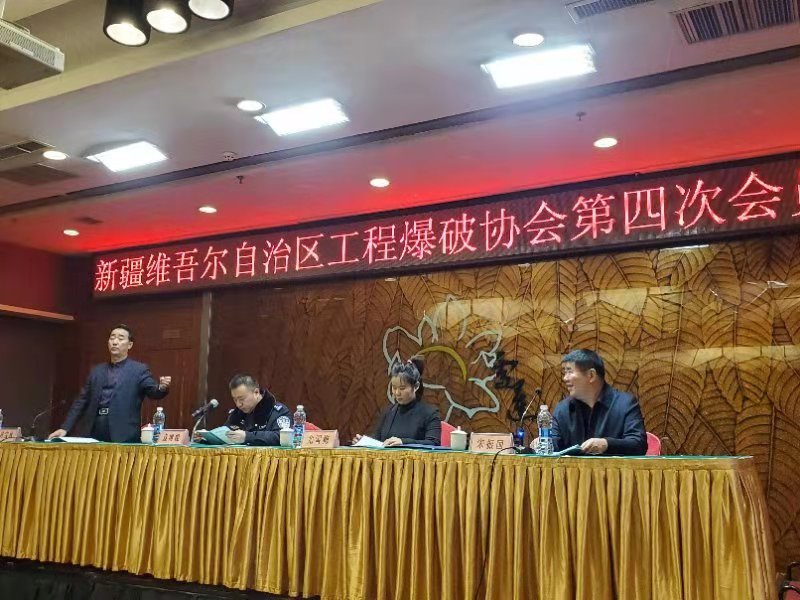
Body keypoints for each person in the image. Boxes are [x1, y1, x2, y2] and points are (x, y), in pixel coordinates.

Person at [48, 324, 171, 443]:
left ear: (130, 345)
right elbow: (81, 401)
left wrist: (161, 387)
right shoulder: (97, 371)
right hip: (94, 428)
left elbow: (153, 392)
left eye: (120, 339)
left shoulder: (138, 370)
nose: (115, 342)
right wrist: (65, 428)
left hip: (123, 432)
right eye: (112, 338)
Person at [538, 349, 647, 455]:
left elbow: (639, 444)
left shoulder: (625, 404)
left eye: (570, 372)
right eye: (565, 372)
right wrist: (541, 444)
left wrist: (606, 444)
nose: (565, 378)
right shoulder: (563, 409)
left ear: (591, 375)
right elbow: (553, 446)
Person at [352, 356, 441, 447]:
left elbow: (433, 443)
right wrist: (364, 442)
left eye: (402, 388)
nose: (397, 393)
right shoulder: (388, 412)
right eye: (394, 388)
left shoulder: (430, 413)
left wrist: (404, 442)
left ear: (416, 386)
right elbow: (377, 440)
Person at [221, 374, 292, 446]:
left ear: (256, 392)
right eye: (235, 400)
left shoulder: (278, 411)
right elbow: (224, 433)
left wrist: (247, 437)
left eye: (241, 399)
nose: (238, 404)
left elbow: (282, 437)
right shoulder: (237, 414)